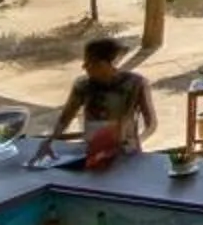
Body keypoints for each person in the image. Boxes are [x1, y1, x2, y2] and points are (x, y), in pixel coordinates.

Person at [37, 38, 156, 169]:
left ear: (105, 63)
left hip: (126, 155)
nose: (84, 66)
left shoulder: (136, 84)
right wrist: (49, 141)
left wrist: (139, 140)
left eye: (90, 62)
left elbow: (151, 123)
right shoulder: (82, 86)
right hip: (93, 152)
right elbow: (65, 118)